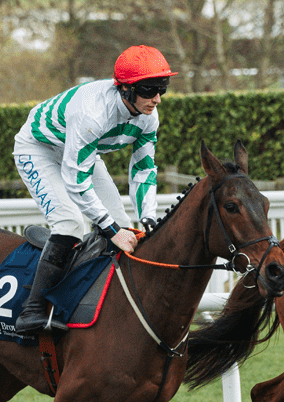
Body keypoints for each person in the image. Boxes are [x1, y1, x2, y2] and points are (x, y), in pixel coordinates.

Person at [11, 44, 174, 333]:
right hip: (39, 148)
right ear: (125, 90)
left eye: (162, 87)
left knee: (125, 226)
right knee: (71, 223)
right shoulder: (93, 114)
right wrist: (110, 230)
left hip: (80, 149)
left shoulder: (149, 116)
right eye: (149, 90)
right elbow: (76, 181)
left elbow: (144, 169)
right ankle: (31, 310)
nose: (157, 98)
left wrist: (148, 217)